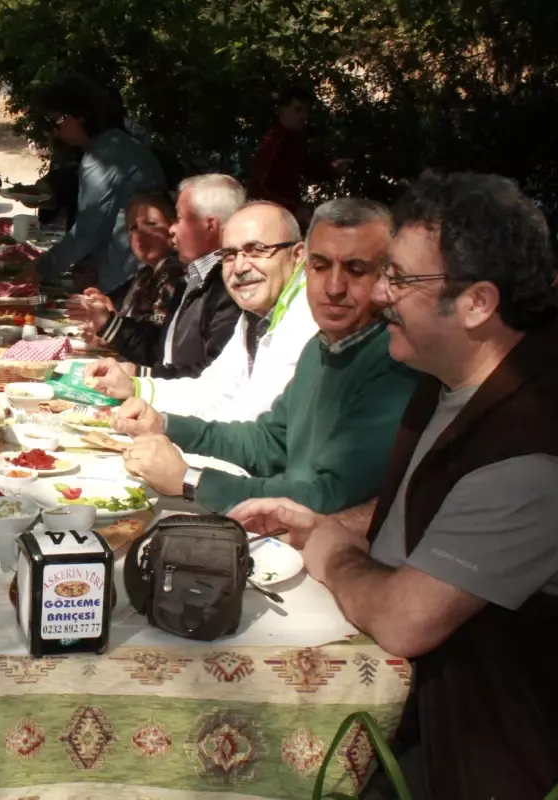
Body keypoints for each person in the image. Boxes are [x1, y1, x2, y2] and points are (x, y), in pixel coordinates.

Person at [228, 172, 558, 800]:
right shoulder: (449, 381)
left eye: (401, 278)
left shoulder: (531, 444)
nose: (378, 294)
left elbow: (408, 621)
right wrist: (331, 524)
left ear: (477, 303)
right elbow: (434, 515)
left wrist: (332, 548)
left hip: (460, 764)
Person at [119, 198, 419, 514]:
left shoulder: (395, 363)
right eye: (320, 267)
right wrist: (166, 424)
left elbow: (326, 498)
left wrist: (190, 480)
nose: (333, 287)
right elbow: (267, 442)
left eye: (356, 269)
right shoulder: (321, 346)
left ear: (388, 278)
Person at [88, 201, 318, 423]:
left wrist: (171, 431)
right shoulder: (256, 313)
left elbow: (254, 424)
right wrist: (135, 386)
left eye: (256, 250)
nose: (240, 267)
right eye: (229, 255)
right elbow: (212, 389)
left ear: (297, 255)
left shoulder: (309, 318)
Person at [74, 176, 243, 378]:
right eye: (132, 227)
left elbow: (212, 379)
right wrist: (107, 323)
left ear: (210, 226)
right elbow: (161, 350)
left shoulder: (227, 287)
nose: (172, 229)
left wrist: (140, 376)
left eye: (178, 220)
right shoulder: (193, 276)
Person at [28, 74, 166, 296]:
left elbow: (86, 231)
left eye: (56, 121)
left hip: (129, 278)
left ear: (81, 116)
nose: (54, 130)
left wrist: (39, 270)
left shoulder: (106, 155)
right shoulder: (115, 145)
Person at [247, 85, 350, 223]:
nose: (303, 116)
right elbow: (259, 187)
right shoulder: (273, 143)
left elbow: (308, 168)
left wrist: (332, 169)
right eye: (298, 110)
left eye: (306, 111)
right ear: (282, 110)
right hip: (268, 219)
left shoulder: (293, 142)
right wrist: (292, 208)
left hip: (284, 216)